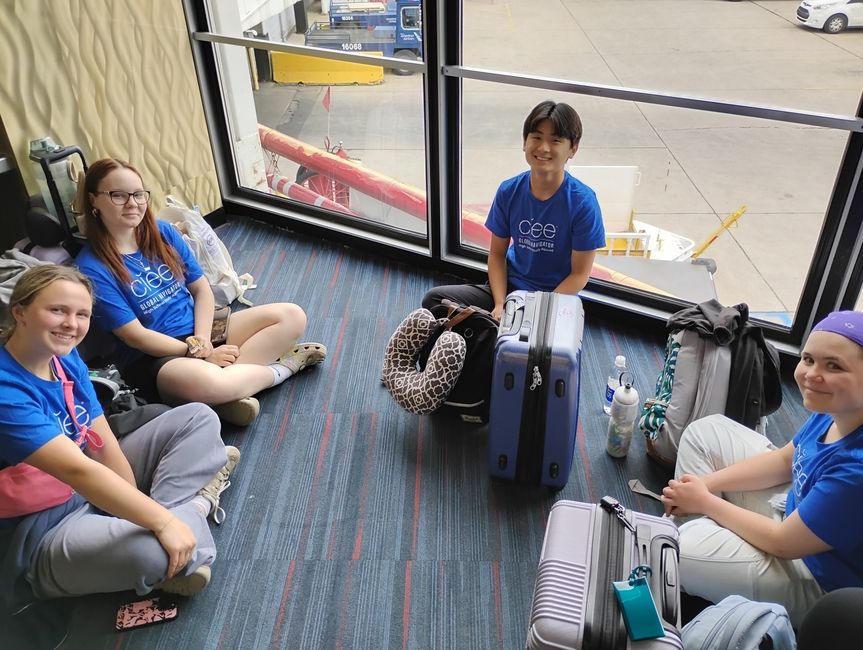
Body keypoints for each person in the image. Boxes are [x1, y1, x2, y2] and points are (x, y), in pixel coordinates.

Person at [0, 265, 240, 614]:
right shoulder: (6, 389)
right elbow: (78, 470)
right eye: (57, 310)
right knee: (151, 551)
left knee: (199, 417)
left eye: (81, 314)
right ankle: (197, 507)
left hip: (89, 485)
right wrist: (161, 522)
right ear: (20, 312)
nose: (72, 324)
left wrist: (131, 513)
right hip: (43, 526)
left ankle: (177, 530)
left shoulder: (64, 359)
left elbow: (101, 437)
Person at [75, 158, 327, 426]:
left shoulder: (162, 232)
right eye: (118, 195)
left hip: (201, 329)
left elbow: (201, 290)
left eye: (138, 194)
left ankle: (227, 393)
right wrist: (198, 352)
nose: (133, 203)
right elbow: (135, 336)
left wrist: (203, 341)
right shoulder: (91, 268)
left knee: (291, 316)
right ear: (93, 201)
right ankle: (281, 369)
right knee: (209, 381)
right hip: (158, 356)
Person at [661, 310, 863, 626]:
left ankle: (697, 543)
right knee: (707, 431)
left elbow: (783, 542)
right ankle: (707, 541)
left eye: (833, 365)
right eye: (808, 359)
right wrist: (706, 486)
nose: (811, 374)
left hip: (815, 578)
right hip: (793, 512)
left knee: (676, 551)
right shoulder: (838, 408)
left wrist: (704, 501)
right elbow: (785, 461)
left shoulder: (857, 471)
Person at [422, 100, 605, 321]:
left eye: (555, 140)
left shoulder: (583, 202)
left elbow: (579, 275)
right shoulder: (509, 190)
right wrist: (500, 304)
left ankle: (487, 333)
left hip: (553, 298)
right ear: (525, 142)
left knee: (529, 345)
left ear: (572, 149)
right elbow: (497, 254)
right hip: (508, 291)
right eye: (536, 137)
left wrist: (537, 312)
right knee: (434, 300)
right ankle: (490, 329)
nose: (543, 148)